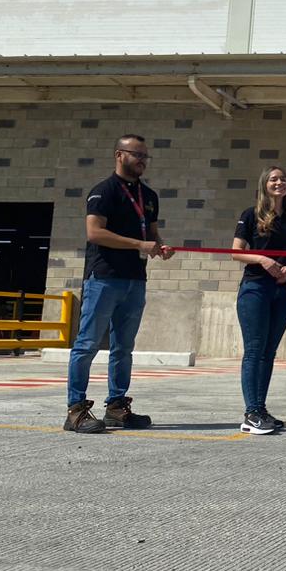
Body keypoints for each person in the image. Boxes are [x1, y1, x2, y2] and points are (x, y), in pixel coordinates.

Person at [64, 135, 174, 433]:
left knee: (124, 347)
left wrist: (160, 247)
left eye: (145, 156)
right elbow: (95, 233)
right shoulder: (103, 191)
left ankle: (116, 408)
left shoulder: (149, 196)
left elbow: (151, 232)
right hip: (104, 277)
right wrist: (139, 243)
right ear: (119, 155)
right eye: (136, 154)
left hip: (135, 280)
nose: (142, 160)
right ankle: (75, 410)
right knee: (87, 344)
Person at [231, 167, 286, 434]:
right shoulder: (250, 215)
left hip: (283, 291)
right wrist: (262, 259)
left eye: (283, 179)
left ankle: (260, 408)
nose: (279, 182)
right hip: (255, 289)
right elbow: (236, 253)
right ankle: (251, 413)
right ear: (264, 184)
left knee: (269, 352)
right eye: (274, 179)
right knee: (254, 350)